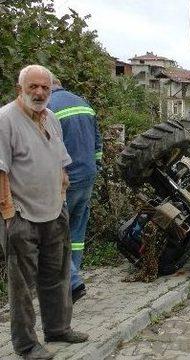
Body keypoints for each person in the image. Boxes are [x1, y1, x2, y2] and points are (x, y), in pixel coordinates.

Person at [0, 65, 89, 359]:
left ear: (51, 91)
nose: (39, 93)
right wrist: (9, 213)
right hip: (22, 215)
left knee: (57, 275)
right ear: (20, 89)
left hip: (54, 211)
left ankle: (58, 328)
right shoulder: (5, 120)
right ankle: (26, 345)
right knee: (22, 286)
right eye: (33, 87)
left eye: (45, 88)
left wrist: (62, 193)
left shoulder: (50, 118)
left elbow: (61, 160)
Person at [48, 77, 102, 303]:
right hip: (87, 176)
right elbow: (98, 144)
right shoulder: (83, 103)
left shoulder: (48, 107)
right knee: (76, 233)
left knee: (54, 231)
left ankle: (71, 282)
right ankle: (73, 278)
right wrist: (95, 167)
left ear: (48, 86)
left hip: (64, 179)